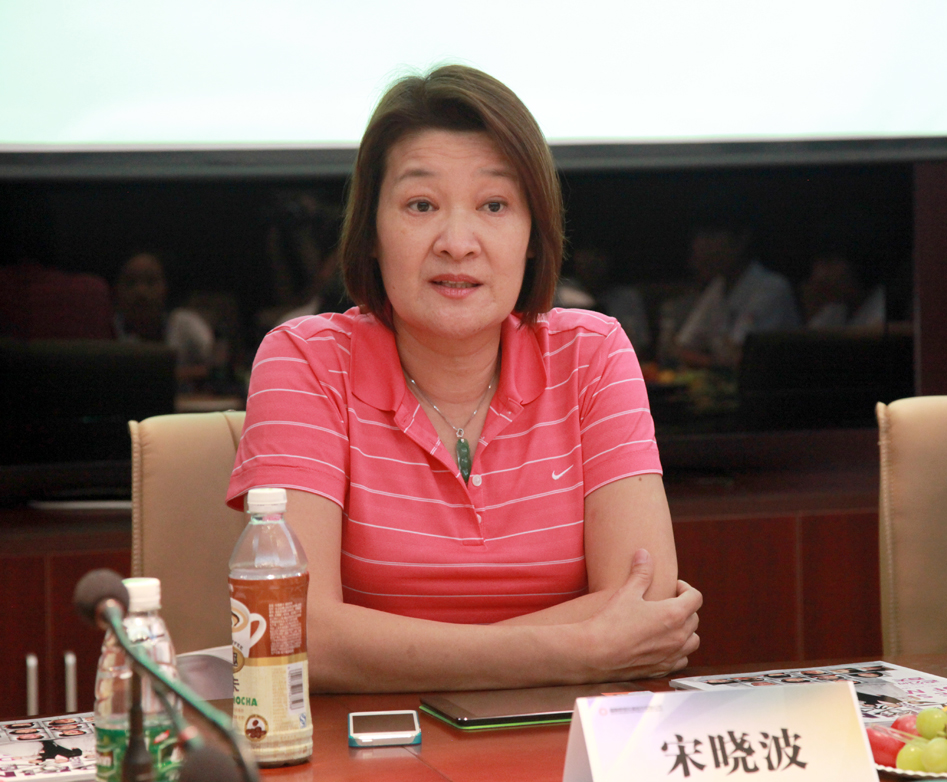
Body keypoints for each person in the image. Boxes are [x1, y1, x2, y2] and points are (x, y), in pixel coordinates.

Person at [226, 65, 701, 693]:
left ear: (533, 234)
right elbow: (295, 629)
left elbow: (646, 602)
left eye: (494, 205)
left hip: (570, 733)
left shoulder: (592, 353)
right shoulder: (304, 360)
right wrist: (579, 649)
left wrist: (399, 653)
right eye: (421, 205)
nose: (457, 242)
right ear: (370, 233)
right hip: (371, 740)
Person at [665, 221, 800, 368]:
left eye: (710, 236)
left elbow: (740, 361)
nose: (698, 246)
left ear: (741, 239)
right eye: (698, 237)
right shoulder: (718, 286)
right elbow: (682, 347)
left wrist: (707, 361)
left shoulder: (772, 288)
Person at [113, 250, 215, 387]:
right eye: (130, 282)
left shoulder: (185, 323)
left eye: (151, 282)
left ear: (166, 287)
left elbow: (217, 367)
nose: (140, 292)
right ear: (116, 289)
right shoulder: (108, 328)